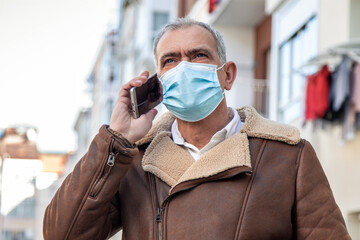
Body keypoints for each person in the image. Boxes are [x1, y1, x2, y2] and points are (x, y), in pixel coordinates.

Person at [43, 18, 351, 240]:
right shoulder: (133, 160)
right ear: (157, 84)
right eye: (170, 60)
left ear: (227, 75)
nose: (184, 68)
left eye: (198, 55)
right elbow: (62, 233)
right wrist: (117, 138)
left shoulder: (288, 156)